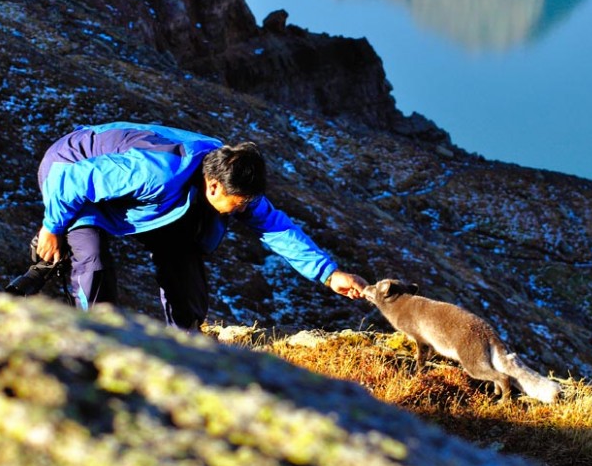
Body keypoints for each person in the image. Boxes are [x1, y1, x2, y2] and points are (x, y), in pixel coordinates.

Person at [31, 121, 367, 329]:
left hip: (133, 193)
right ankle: (98, 339)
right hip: (70, 168)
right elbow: (73, 180)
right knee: (92, 258)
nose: (241, 211)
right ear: (214, 187)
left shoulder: (231, 178)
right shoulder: (156, 171)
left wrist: (329, 274)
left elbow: (275, 226)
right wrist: (52, 227)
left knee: (184, 247)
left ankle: (185, 337)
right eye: (238, 205)